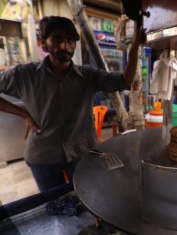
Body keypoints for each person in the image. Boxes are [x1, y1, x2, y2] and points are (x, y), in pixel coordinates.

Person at [0, 16, 144, 192]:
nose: (64, 45)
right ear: (44, 43)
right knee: (55, 206)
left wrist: (135, 47)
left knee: (86, 199)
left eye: (70, 40)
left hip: (82, 153)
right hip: (43, 156)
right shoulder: (24, 75)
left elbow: (124, 81)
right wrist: (24, 114)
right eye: (57, 39)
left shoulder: (88, 75)